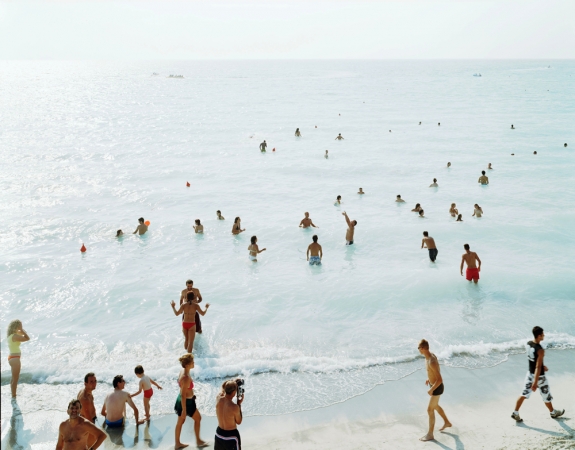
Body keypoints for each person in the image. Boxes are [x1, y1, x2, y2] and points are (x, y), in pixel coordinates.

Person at [511, 326, 565, 422]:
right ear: (539, 336)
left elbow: (533, 359)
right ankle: (553, 412)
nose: (544, 335)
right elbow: (537, 367)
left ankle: (515, 412)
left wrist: (542, 365)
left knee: (523, 393)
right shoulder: (540, 350)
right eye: (543, 334)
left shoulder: (528, 344)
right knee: (546, 395)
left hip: (529, 374)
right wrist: (535, 382)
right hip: (539, 377)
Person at [418, 340, 452, 441]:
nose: (418, 350)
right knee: (435, 406)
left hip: (437, 387)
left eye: (419, 348)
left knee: (430, 409)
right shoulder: (429, 356)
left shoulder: (431, 361)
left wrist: (431, 390)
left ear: (423, 348)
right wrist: (429, 378)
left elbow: (440, 379)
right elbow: (435, 371)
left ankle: (430, 434)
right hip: (434, 385)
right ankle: (447, 422)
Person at [175, 353, 208, 449]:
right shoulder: (186, 377)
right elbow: (183, 394)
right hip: (186, 403)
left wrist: (192, 396)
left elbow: (184, 390)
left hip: (185, 401)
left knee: (180, 422)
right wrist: (184, 410)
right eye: (192, 362)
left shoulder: (183, 371)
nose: (194, 363)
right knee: (197, 419)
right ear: (187, 364)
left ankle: (178, 443)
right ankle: (198, 441)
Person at [215, 380, 244, 450]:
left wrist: (232, 383)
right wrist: (239, 404)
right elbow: (239, 421)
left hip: (219, 434)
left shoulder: (218, 398)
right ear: (234, 393)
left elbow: (222, 385)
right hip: (231, 437)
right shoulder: (234, 407)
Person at [6, 320, 30, 398]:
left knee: (13, 378)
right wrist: (22, 330)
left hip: (12, 358)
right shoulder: (14, 336)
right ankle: (14, 395)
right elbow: (27, 338)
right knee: (15, 378)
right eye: (20, 325)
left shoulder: (11, 335)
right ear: (16, 326)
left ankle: (13, 394)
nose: (21, 327)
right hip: (15, 358)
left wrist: (21, 330)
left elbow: (23, 334)